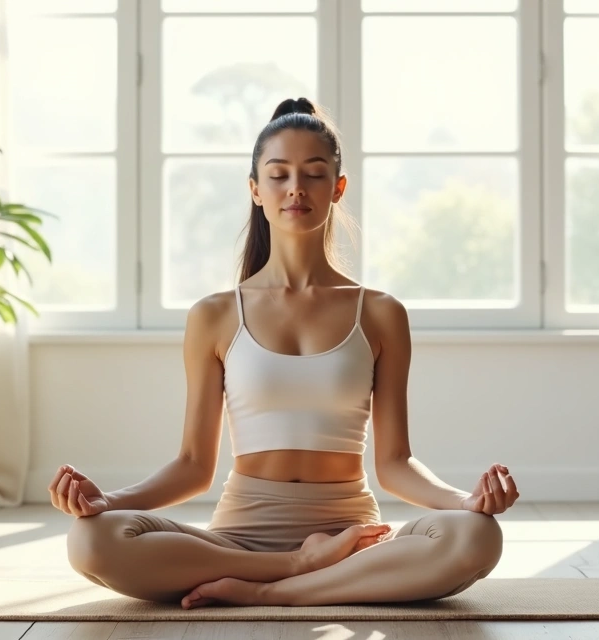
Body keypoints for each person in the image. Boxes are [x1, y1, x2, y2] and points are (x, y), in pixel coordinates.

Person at [50, 97, 517, 609]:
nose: (296, 188)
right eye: (278, 175)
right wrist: (107, 501)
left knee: (477, 535)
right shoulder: (214, 315)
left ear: (338, 188)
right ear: (255, 189)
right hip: (239, 540)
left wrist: (467, 502)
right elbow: (192, 466)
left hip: (351, 541)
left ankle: (270, 591)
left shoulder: (381, 313)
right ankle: (295, 571)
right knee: (91, 540)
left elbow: (395, 464)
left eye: (314, 174)